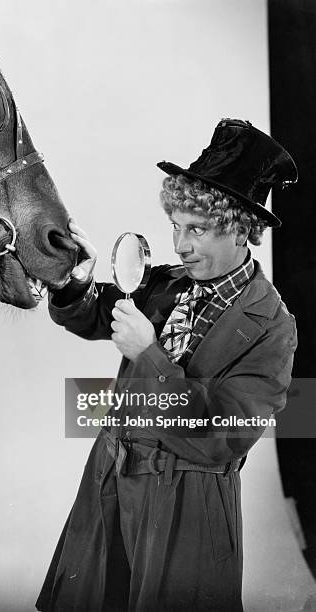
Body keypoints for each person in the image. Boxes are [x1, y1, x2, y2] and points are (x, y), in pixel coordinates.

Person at [36, 118, 298, 612]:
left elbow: (221, 435)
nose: (180, 245)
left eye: (196, 229)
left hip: (187, 502)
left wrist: (149, 356)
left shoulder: (272, 326)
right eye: (176, 226)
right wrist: (76, 281)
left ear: (240, 230)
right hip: (112, 481)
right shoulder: (167, 282)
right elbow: (95, 312)